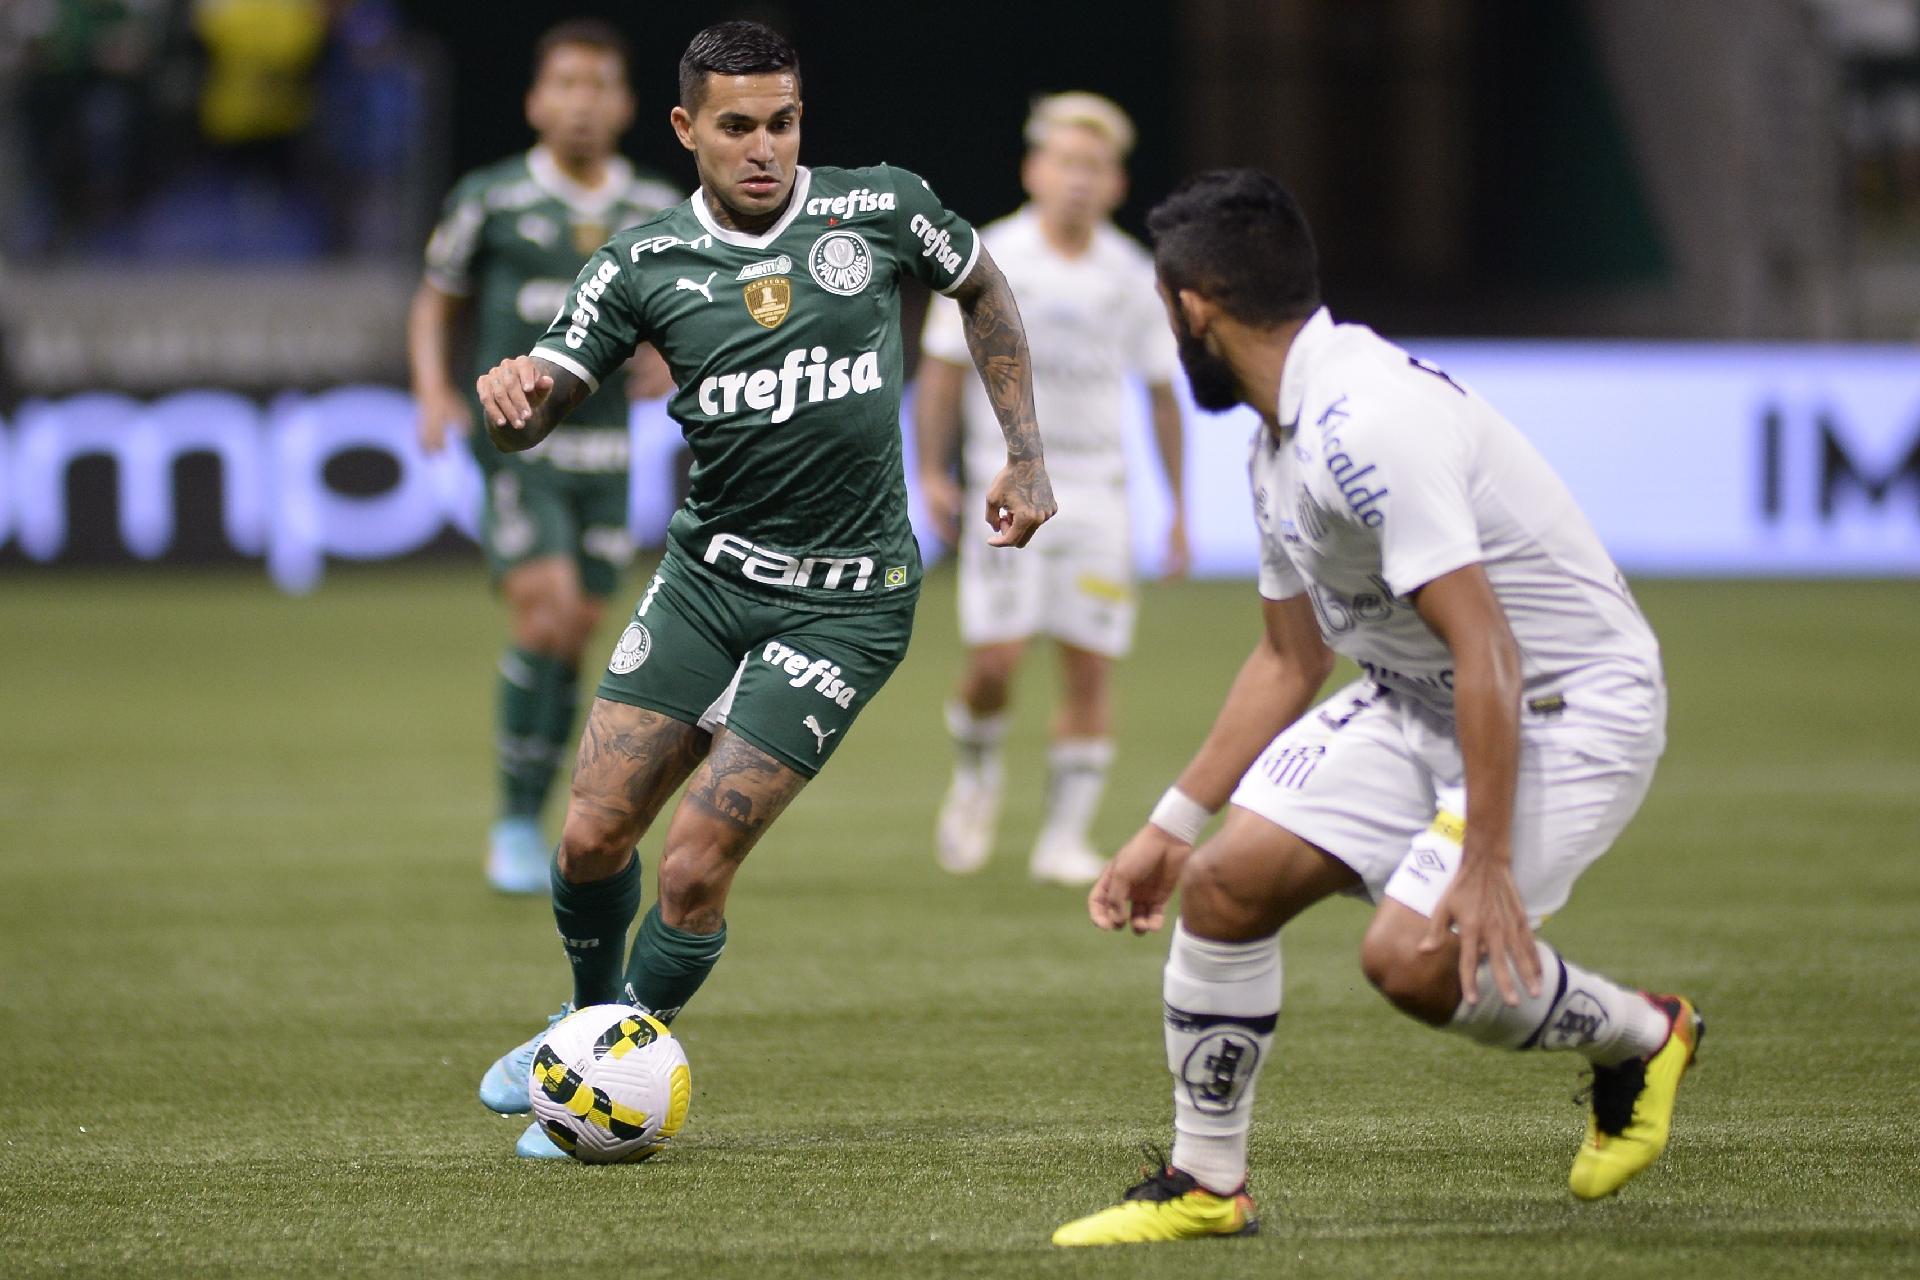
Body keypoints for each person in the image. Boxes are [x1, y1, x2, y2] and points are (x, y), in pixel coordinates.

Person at [1052, 170, 1702, 1245]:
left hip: (1563, 703)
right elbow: (1287, 656)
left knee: (1412, 960)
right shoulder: (1276, 439)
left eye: (1166, 313)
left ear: (1194, 309)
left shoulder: (1367, 422)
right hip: (1422, 695)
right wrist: (1168, 828)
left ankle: (1643, 1033)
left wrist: (1482, 856)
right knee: (1222, 887)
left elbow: (1487, 639)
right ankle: (1207, 1182)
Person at [470, 20, 1056, 1158]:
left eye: (781, 122)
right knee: (591, 834)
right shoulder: (643, 263)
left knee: (691, 866)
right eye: (736, 125)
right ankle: (586, 1023)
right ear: (687, 128)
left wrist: (1026, 452)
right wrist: (515, 396)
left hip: (847, 600)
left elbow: (982, 285)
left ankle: (598, 1063)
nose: (764, 147)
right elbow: (551, 390)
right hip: (708, 581)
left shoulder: (878, 211)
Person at [408, 18, 680, 893]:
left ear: (627, 104)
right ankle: (516, 822)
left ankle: (537, 807)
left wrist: (666, 359)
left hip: (606, 453)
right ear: (535, 100)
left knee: (574, 634)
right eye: (565, 84)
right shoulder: (490, 198)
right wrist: (433, 390)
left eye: (599, 86)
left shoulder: (652, 209)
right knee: (545, 613)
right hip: (519, 445)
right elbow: (435, 300)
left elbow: (685, 310)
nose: (582, 103)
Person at [917, 92, 1185, 887]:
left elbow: (1162, 392)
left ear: (1116, 184)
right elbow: (939, 370)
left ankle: (1062, 841)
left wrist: (1176, 509)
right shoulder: (987, 257)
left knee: (1089, 663)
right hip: (1002, 482)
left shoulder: (1133, 276)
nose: (1078, 179)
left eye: (1094, 166)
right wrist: (931, 470)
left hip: (1098, 490)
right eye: (1066, 161)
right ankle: (976, 771)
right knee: (995, 662)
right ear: (1035, 169)